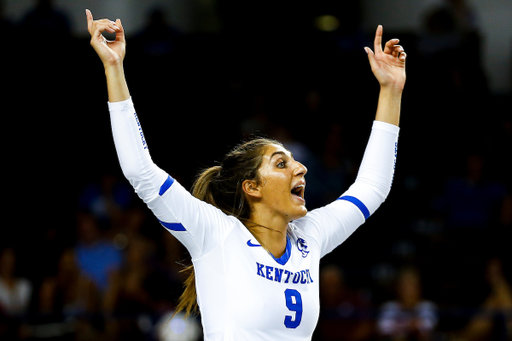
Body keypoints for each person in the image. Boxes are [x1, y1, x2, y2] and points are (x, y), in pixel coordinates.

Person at [86, 9, 406, 340]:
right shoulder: (216, 234)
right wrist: (114, 67)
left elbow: (372, 187)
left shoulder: (310, 237)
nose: (301, 168)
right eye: (281, 164)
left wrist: (391, 90)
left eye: (294, 161)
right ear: (252, 187)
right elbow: (141, 171)